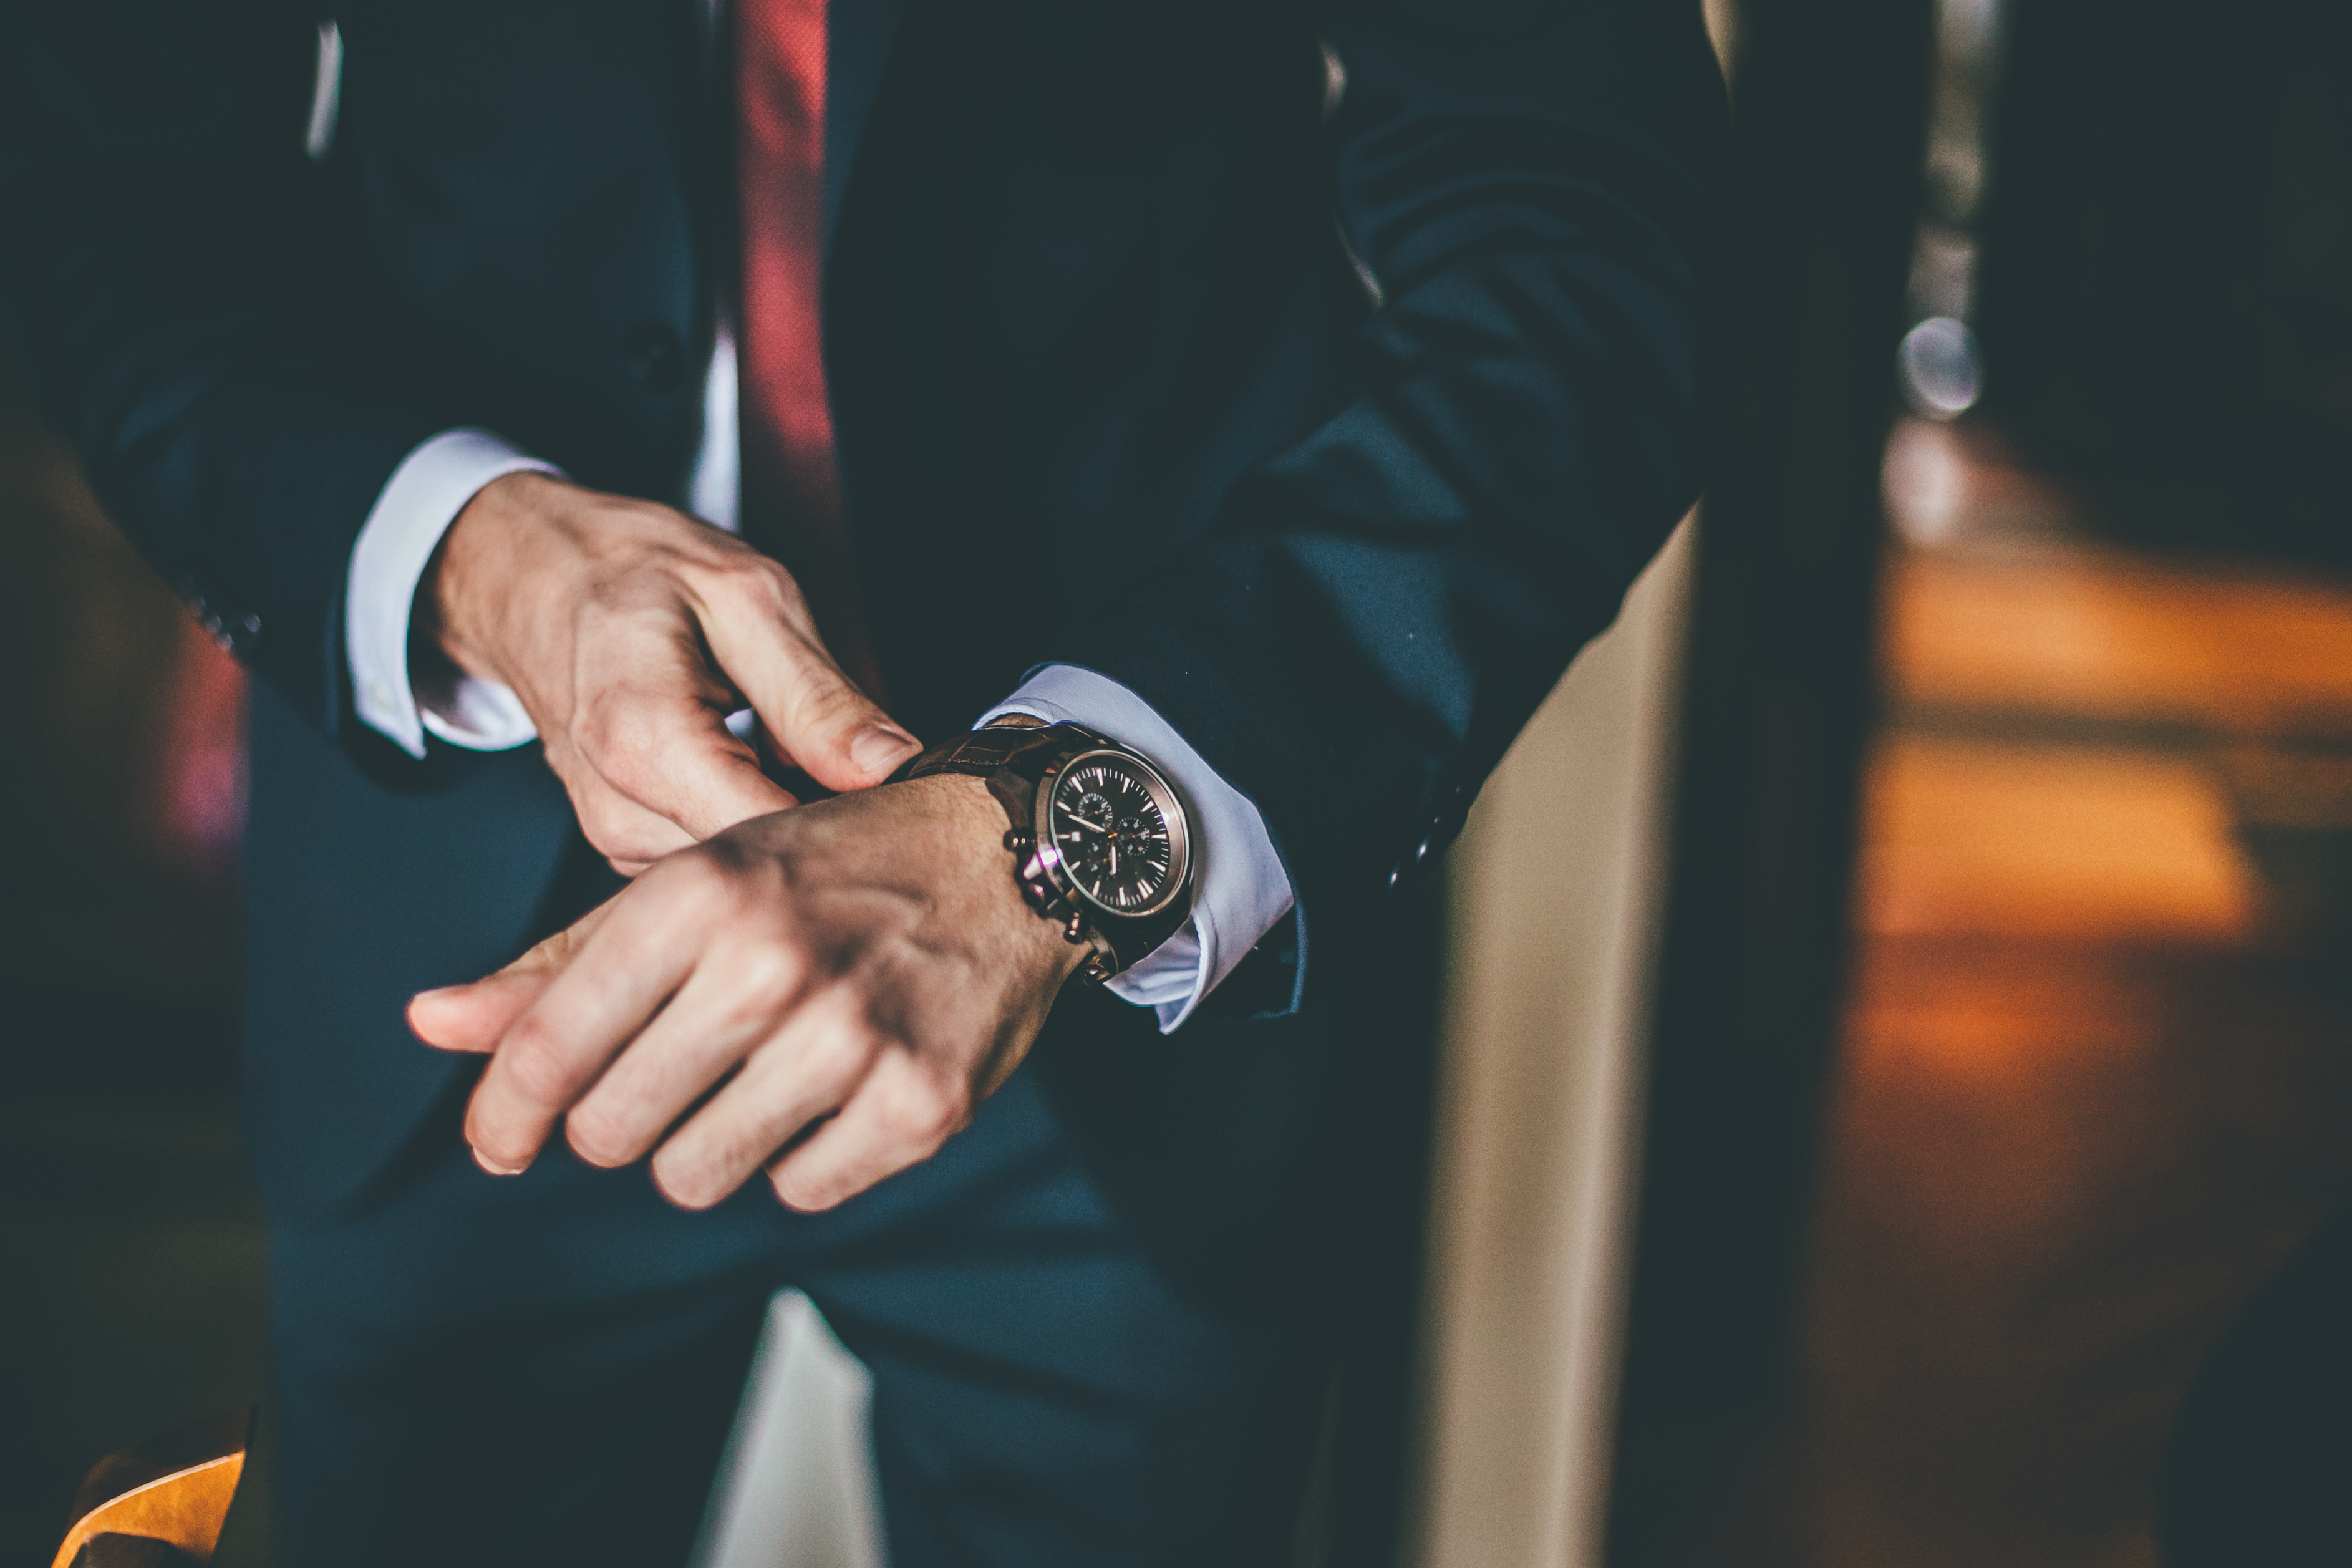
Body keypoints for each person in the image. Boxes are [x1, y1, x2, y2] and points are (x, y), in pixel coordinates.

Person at [0, 1, 1733, 1562]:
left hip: (1152, 978)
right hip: (466, 958)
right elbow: (110, 183)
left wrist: (1076, 824)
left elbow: (1583, 229)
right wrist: (461, 551)